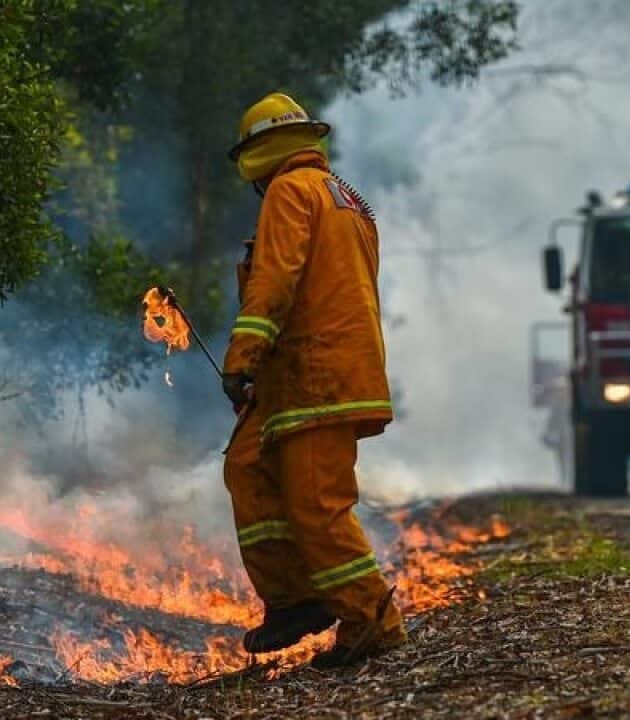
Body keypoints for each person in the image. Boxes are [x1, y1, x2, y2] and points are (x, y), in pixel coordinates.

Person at [220, 92, 406, 669]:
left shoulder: (289, 191)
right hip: (309, 377)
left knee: (317, 507)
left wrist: (242, 357)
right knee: (247, 465)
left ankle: (373, 621)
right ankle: (296, 601)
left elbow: (274, 283)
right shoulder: (344, 197)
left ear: (257, 159)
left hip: (315, 378)